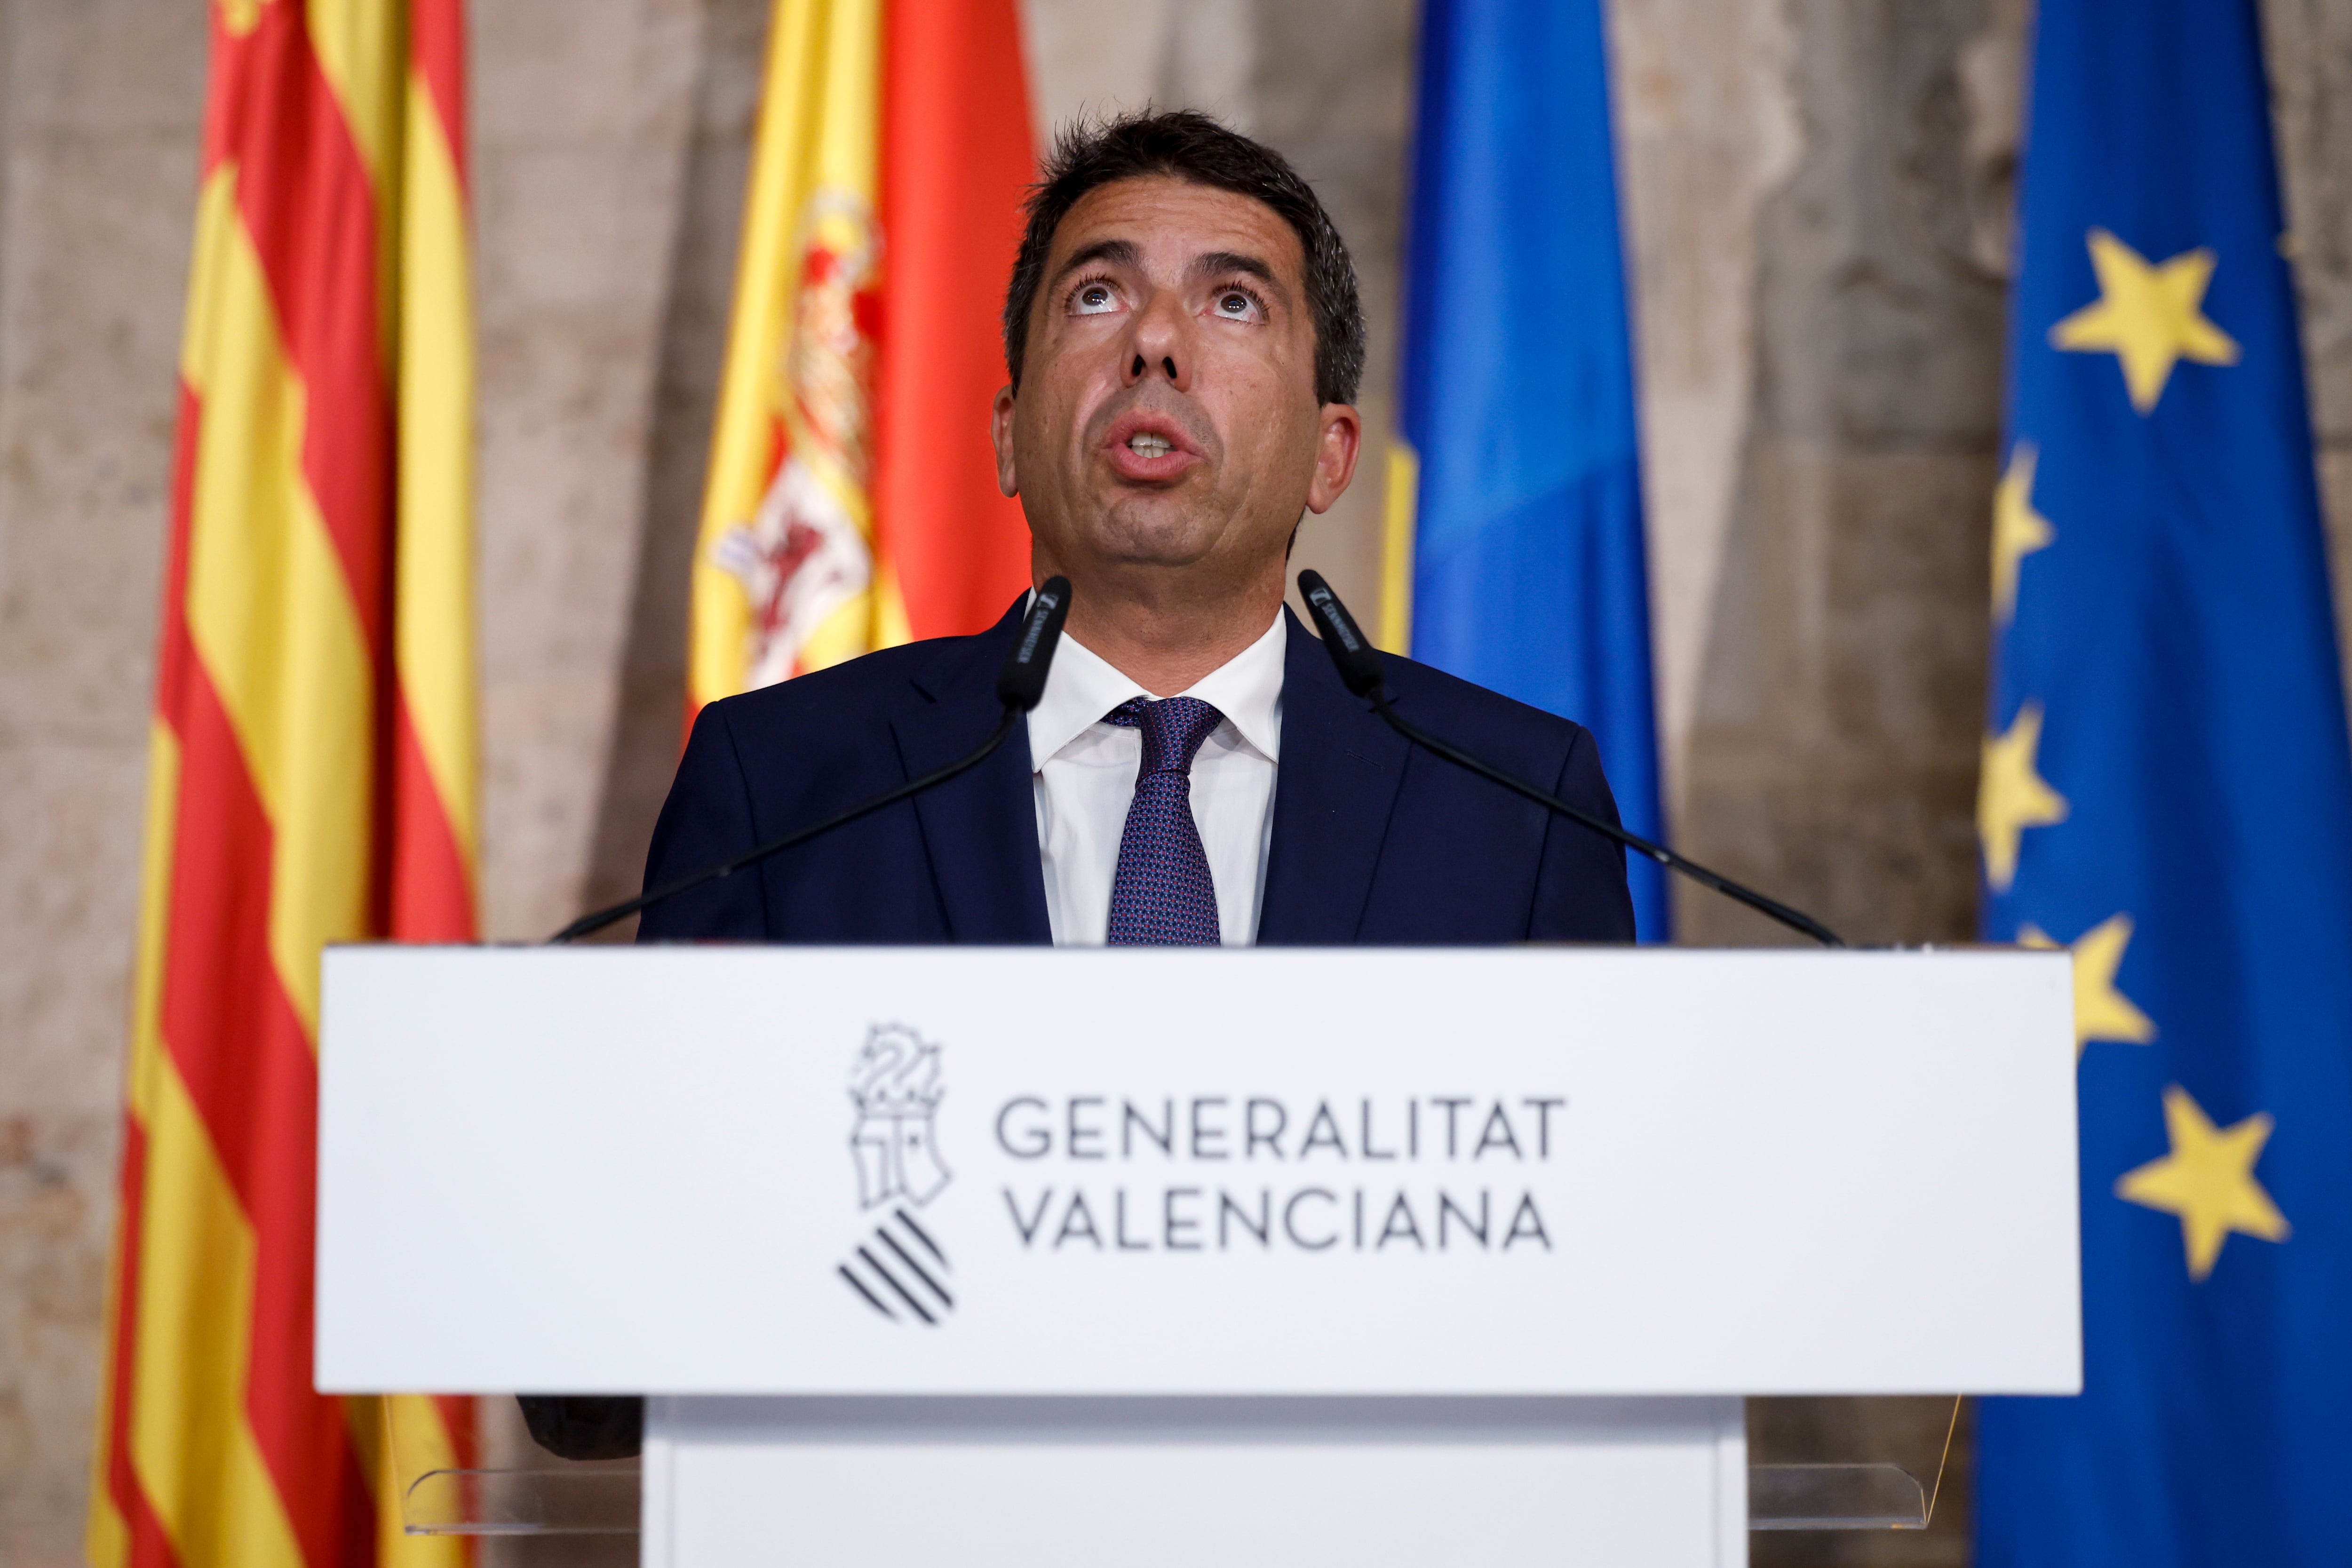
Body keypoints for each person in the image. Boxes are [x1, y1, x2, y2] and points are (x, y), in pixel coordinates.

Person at [522, 108, 1633, 1461]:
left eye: (1233, 301)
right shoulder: (790, 782)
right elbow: (601, 1372)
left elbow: (1601, 1308)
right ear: (1005, 433)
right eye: (1099, 293)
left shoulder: (1510, 801)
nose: (1154, 343)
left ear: (1333, 453)